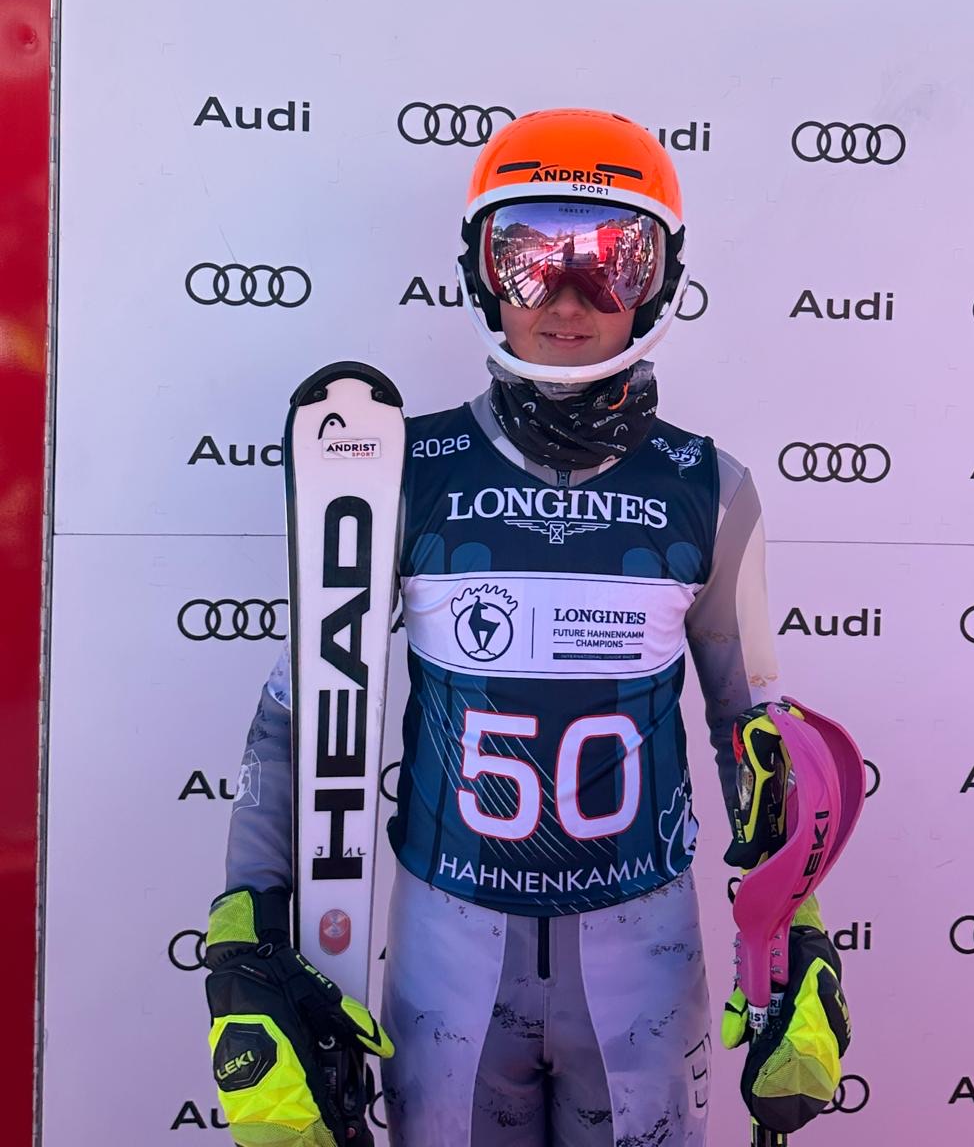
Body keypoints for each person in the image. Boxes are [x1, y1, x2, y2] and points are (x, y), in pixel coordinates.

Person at [208, 108, 785, 1147]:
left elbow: (758, 734)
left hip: (644, 958)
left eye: (612, 262)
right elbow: (301, 717)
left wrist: (800, 937)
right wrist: (248, 925)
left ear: (661, 279)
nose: (567, 298)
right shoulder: (394, 471)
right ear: (480, 273)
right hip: (450, 957)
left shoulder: (712, 488)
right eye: (529, 258)